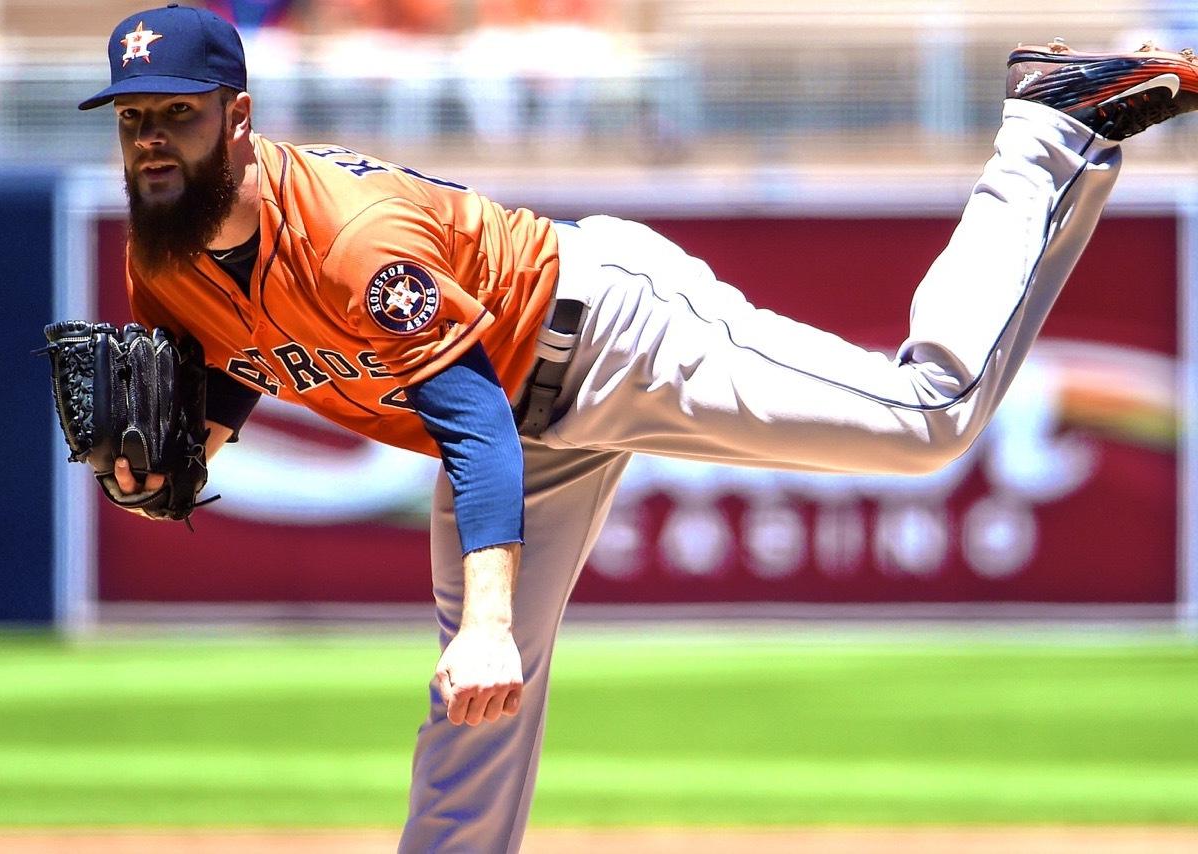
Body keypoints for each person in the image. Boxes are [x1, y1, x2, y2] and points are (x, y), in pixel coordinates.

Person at [79, 5, 1197, 850]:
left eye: (176, 113)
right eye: (134, 120)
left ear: (238, 116)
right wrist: (186, 456)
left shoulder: (348, 235)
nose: (152, 143)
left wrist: (488, 619)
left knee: (929, 419)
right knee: (476, 704)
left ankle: (1050, 126)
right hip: (519, 398)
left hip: (607, 330)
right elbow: (236, 356)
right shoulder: (162, 256)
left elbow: (472, 421)